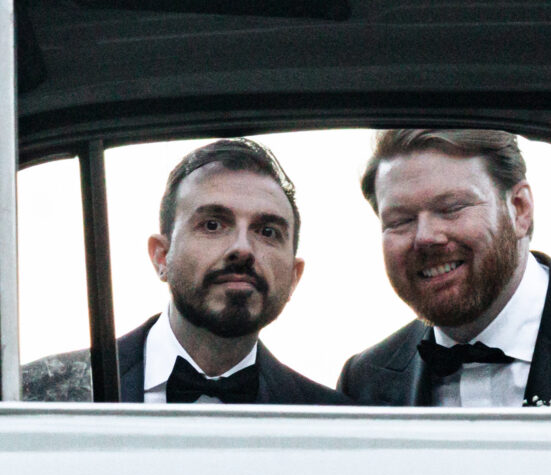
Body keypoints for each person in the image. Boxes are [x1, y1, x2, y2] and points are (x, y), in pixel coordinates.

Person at [21, 138, 344, 405]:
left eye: (268, 232)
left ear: (294, 277)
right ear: (161, 256)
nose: (243, 248)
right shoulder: (41, 395)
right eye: (213, 225)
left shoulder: (333, 419)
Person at [337, 127, 551, 408]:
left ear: (520, 209)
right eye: (400, 221)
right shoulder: (364, 382)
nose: (425, 237)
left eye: (451, 208)